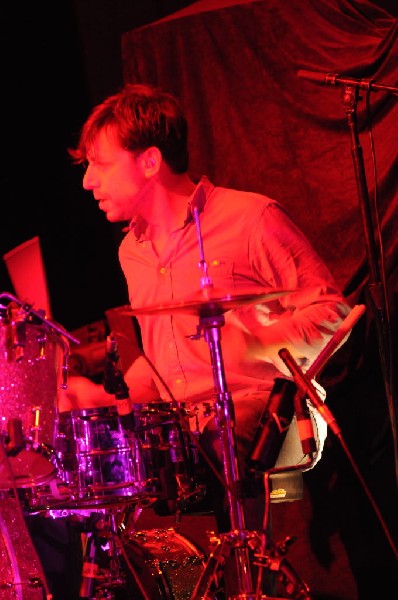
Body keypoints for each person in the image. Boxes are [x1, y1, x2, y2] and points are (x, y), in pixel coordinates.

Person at [64, 82, 351, 597]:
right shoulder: (133, 250)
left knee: (183, 466)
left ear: (150, 161)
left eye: (100, 165)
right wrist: (104, 402)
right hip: (189, 435)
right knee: (121, 497)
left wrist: (253, 346)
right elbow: (162, 361)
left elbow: (332, 310)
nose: (88, 181)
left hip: (260, 422)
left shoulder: (250, 218)